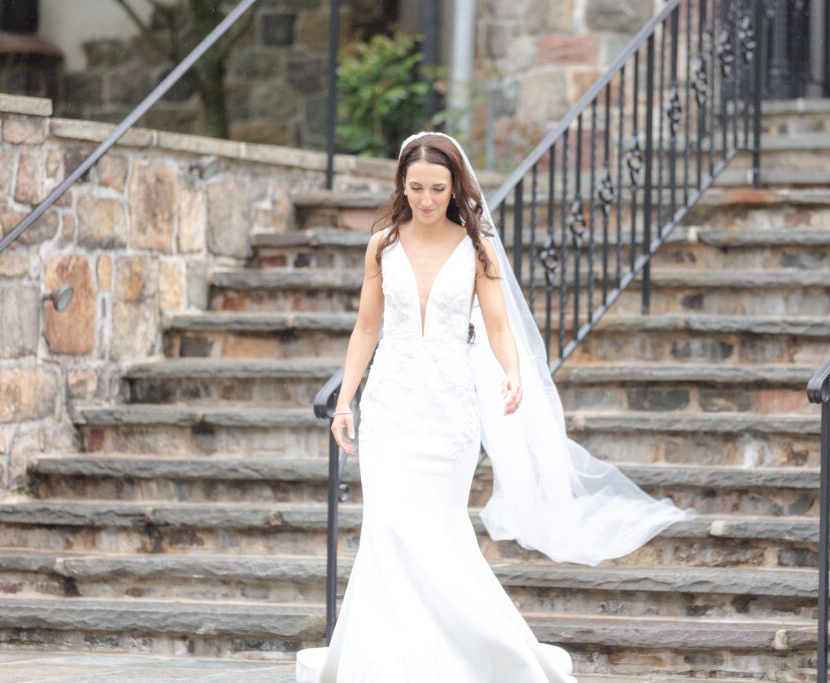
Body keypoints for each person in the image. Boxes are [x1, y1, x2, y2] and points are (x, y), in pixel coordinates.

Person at [295, 132, 695, 682]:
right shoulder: (382, 244)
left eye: (438, 188)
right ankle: (386, 662)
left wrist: (512, 372)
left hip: (449, 410)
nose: (427, 199)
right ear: (402, 186)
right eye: (416, 188)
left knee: (440, 530)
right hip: (390, 406)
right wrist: (345, 404)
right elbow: (366, 327)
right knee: (385, 528)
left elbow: (500, 326)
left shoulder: (477, 248)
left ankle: (474, 652)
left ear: (455, 187)